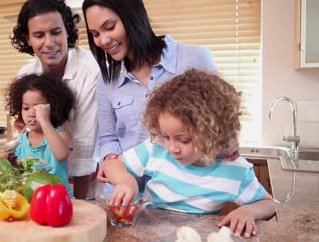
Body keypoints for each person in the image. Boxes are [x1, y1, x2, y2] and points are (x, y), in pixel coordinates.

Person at [82, 0, 238, 183]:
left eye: (110, 27)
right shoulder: (106, 80)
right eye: (95, 34)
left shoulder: (195, 58)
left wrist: (229, 141)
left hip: (181, 196)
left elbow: (219, 124)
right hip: (128, 197)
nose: (103, 40)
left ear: (133, 16)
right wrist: (113, 162)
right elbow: (108, 138)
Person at [102, 69, 276, 238]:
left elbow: (269, 204)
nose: (172, 147)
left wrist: (248, 211)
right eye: (166, 136)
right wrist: (126, 181)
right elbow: (112, 164)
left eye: (184, 140)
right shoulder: (156, 149)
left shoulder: (235, 171)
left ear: (213, 132)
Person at [11, 0, 100, 199]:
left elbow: (84, 143)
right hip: (40, 186)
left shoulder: (89, 70)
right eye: (39, 35)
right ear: (28, 38)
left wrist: (77, 203)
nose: (49, 43)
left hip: (84, 182)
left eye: (56, 32)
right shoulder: (26, 75)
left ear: (67, 30)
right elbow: (25, 132)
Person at [0, 73, 75, 197]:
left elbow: (61, 155)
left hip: (59, 200)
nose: (31, 113)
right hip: (30, 201)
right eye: (26, 108)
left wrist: (44, 120)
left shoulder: (60, 135)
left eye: (37, 108)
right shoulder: (19, 141)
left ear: (53, 108)